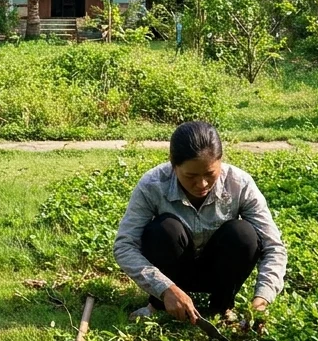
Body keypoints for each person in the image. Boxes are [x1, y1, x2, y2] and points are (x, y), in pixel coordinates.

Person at [112, 121, 287, 323]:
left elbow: (273, 246)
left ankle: (221, 307)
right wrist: (165, 288)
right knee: (164, 229)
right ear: (173, 165)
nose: (202, 184)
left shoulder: (240, 184)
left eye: (210, 174)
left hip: (219, 272)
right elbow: (124, 246)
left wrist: (262, 299)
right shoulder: (152, 185)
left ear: (220, 161)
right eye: (191, 176)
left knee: (243, 234)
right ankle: (159, 305)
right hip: (171, 272)